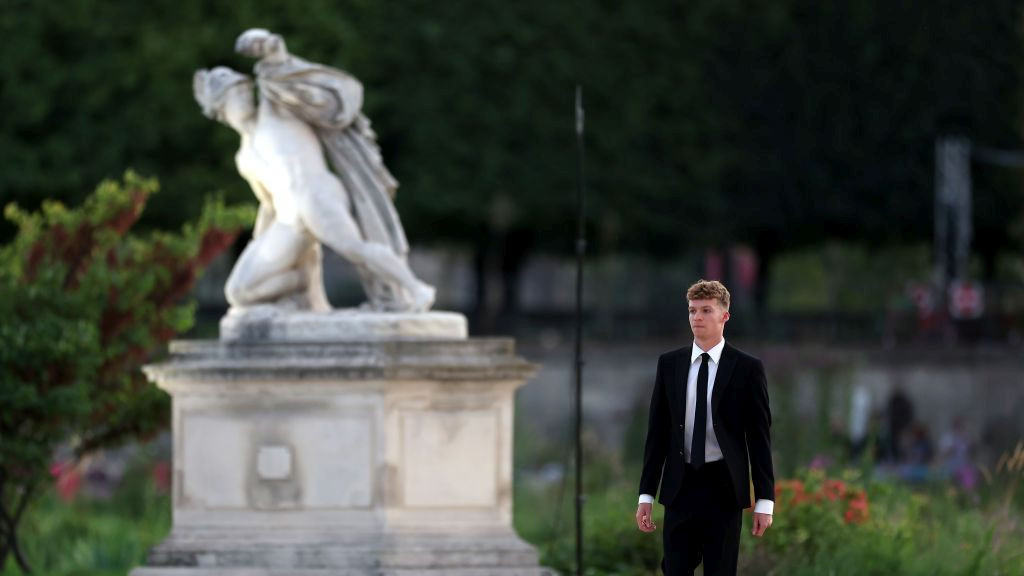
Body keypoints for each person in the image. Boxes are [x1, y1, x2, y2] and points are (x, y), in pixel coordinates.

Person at [193, 29, 435, 312]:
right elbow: (268, 205)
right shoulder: (243, 157)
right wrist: (260, 244)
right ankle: (299, 286)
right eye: (237, 94)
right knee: (238, 292)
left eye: (245, 89)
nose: (246, 95)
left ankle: (416, 289)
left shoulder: (275, 111)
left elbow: (279, 68)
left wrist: (266, 44)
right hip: (289, 220)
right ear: (221, 111)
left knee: (354, 249)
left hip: (317, 195)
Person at [635, 279, 774, 575]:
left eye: (706, 310)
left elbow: (759, 438)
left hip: (724, 487)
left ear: (724, 316)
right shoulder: (669, 364)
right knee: (674, 569)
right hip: (680, 485)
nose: (697, 317)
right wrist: (646, 494)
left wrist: (765, 499)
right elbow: (657, 434)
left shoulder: (747, 368)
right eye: (692, 310)